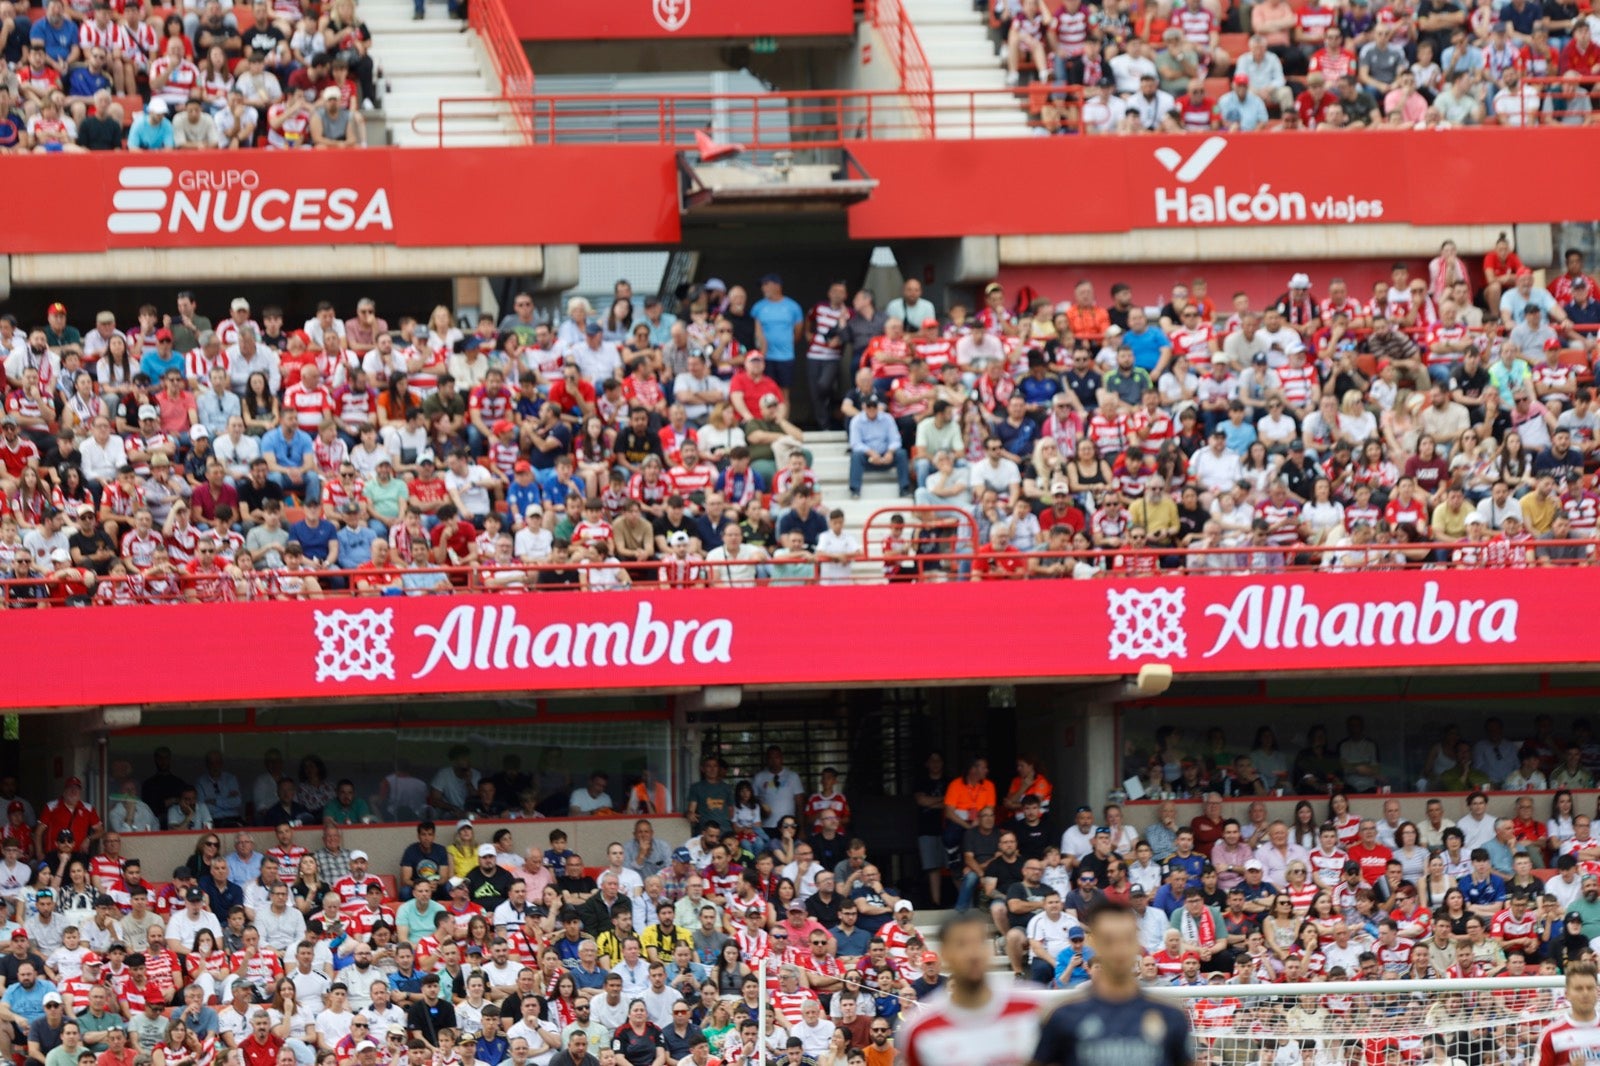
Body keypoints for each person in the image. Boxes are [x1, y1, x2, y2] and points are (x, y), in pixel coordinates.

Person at [1032, 902, 1194, 1066]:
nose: (1119, 949)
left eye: (1127, 939)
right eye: (1109, 940)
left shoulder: (1170, 1016)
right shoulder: (1064, 1016)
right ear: (1094, 944)